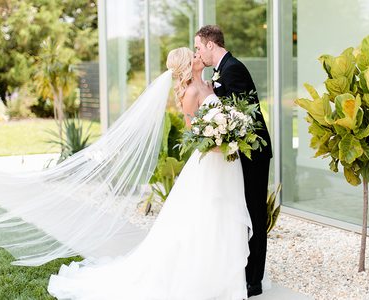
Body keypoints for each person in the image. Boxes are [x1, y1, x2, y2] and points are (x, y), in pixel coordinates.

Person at [46, 47, 259, 299]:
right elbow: (193, 134)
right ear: (186, 66)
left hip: (226, 163)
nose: (197, 57)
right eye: (192, 56)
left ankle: (227, 279)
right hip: (211, 163)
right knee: (207, 217)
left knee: (225, 215)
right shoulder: (190, 92)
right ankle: (204, 279)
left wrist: (231, 133)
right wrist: (218, 143)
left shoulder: (210, 84)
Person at [195, 25, 273, 298]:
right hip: (240, 154)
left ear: (210, 45)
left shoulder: (233, 69)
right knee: (242, 213)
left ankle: (254, 281)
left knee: (254, 213)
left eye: (198, 47)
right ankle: (243, 270)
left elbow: (242, 117)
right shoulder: (222, 70)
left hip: (253, 153)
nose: (198, 53)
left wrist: (211, 98)